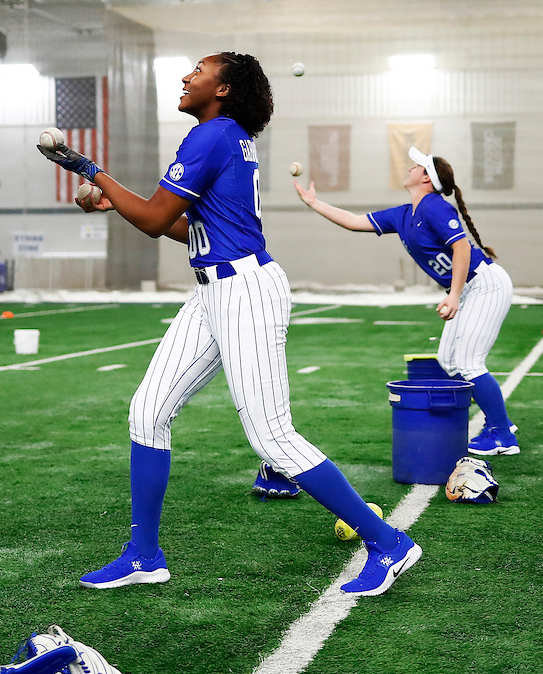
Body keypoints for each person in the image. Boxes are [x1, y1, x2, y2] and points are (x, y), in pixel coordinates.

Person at [41, 53, 420, 596]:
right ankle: (144, 554)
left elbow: (152, 220)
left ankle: (388, 542)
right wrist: (115, 203)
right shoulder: (225, 136)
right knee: (147, 412)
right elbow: (184, 229)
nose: (186, 76)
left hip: (244, 291)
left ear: (223, 89)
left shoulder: (212, 135)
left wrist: (88, 169)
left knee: (273, 438)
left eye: (198, 70)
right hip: (216, 290)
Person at [294, 147, 518, 456]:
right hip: (468, 289)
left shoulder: (433, 206)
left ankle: (503, 433)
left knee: (468, 363)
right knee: (450, 362)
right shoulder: (404, 214)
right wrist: (314, 203)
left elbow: (462, 249)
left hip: (485, 285)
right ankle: (498, 422)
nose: (410, 168)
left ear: (426, 178)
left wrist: (453, 296)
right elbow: (354, 221)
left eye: (417, 166)